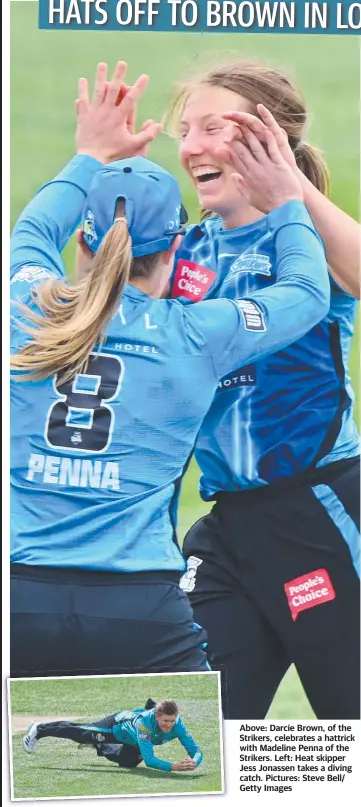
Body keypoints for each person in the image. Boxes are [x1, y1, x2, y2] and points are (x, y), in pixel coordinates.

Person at [10, 61, 330, 679]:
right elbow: (307, 293)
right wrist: (289, 203)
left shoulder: (23, 305)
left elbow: (31, 230)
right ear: (177, 249)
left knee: (29, 769)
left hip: (17, 600)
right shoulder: (195, 333)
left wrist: (89, 155)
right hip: (142, 611)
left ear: (83, 242)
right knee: (176, 773)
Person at [163, 58, 360, 719]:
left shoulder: (308, 240)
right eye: (184, 129)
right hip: (226, 531)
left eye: (210, 127)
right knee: (188, 729)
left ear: (269, 136)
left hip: (320, 517)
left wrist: (291, 195)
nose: (189, 146)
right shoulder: (187, 250)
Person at [23, 699, 202, 772]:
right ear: (156, 716)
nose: (169, 725)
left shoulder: (177, 724)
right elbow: (150, 759)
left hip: (134, 741)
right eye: (165, 721)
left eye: (172, 721)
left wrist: (195, 761)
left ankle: (99, 746)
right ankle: (40, 729)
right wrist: (175, 766)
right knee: (80, 733)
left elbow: (195, 750)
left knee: (129, 763)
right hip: (115, 728)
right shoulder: (145, 725)